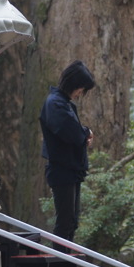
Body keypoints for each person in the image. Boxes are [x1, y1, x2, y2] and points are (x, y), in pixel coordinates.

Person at [39, 60, 96, 244]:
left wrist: (83, 133)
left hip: (69, 169)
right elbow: (70, 132)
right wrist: (85, 132)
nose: (81, 93)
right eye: (81, 88)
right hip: (61, 169)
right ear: (74, 85)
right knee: (65, 222)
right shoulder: (55, 104)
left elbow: (74, 131)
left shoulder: (61, 103)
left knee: (71, 222)